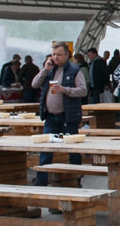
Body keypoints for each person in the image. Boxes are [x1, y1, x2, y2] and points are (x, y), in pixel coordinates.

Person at [30, 42, 88, 186]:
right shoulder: (49, 70)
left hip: (68, 116)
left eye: (59, 54)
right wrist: (45, 69)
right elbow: (34, 85)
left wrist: (65, 89)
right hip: (50, 116)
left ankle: (75, 181)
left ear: (67, 55)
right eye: (54, 54)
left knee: (73, 151)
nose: (56, 57)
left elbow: (83, 90)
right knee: (46, 149)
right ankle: (41, 181)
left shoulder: (74, 70)